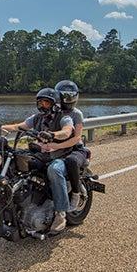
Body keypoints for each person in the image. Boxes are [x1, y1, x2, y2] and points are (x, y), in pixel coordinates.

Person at [1, 87, 75, 234]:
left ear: (54, 104)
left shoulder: (64, 117)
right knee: (16, 163)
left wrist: (53, 135)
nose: (42, 106)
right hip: (42, 154)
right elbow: (18, 126)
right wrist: (0, 127)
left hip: (60, 156)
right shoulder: (36, 118)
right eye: (40, 102)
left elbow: (67, 130)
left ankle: (61, 214)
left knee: (54, 170)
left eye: (46, 102)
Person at [54, 80, 89, 222]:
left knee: (71, 161)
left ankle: (75, 193)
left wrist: (55, 146)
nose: (68, 100)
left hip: (74, 148)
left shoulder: (76, 114)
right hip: (57, 145)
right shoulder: (55, 111)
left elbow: (76, 138)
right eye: (65, 96)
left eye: (71, 96)